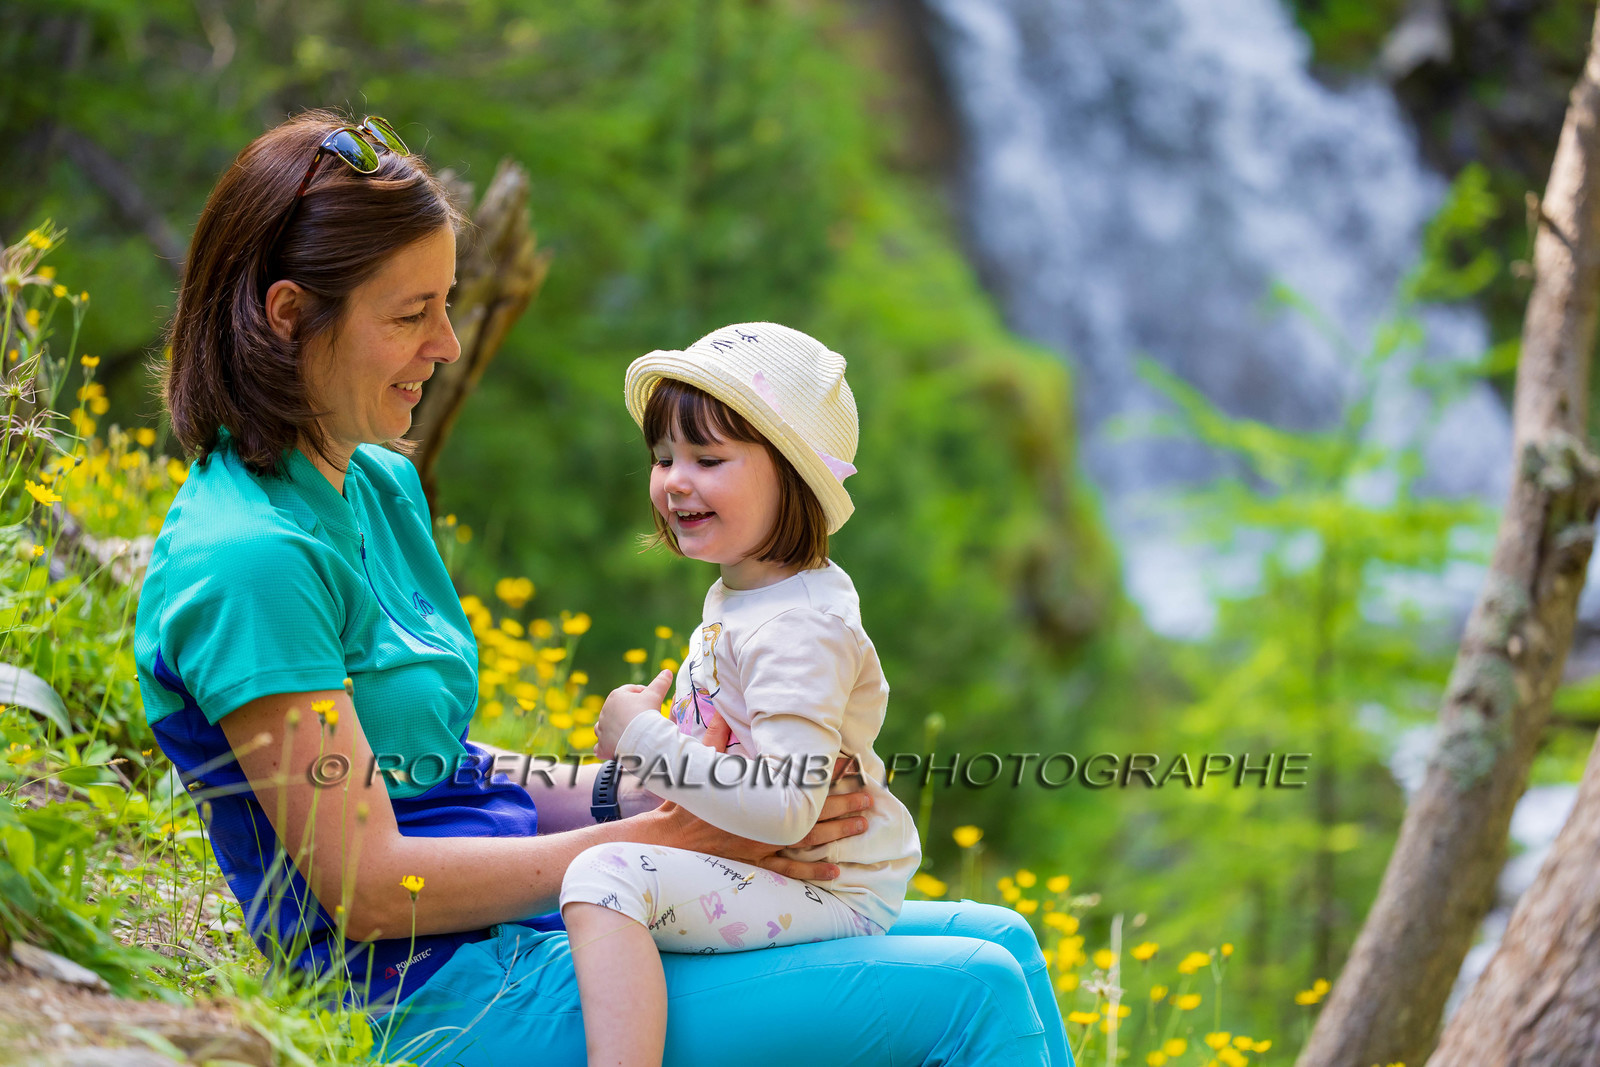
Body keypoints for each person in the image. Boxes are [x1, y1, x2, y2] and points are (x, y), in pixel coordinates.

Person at [134, 108, 1071, 1066]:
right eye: (411, 314)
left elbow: (431, 764)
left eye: (447, 303)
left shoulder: (374, 483)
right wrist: (682, 836)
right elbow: (365, 889)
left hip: (529, 923)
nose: (449, 343)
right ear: (289, 315)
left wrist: (652, 791)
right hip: (427, 996)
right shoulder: (252, 561)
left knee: (1003, 939)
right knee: (975, 994)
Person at [560, 324, 920, 1065]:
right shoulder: (755, 594)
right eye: (663, 457)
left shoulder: (799, 627)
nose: (674, 480)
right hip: (773, 863)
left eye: (708, 458)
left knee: (602, 876)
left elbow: (785, 805)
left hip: (829, 887)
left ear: (792, 476)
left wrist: (644, 740)